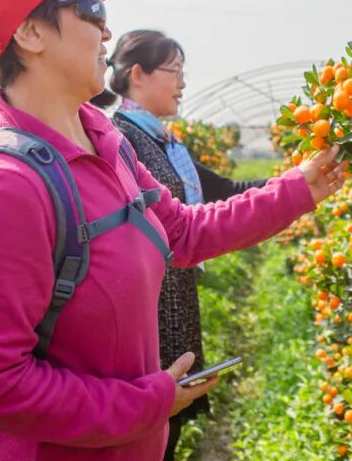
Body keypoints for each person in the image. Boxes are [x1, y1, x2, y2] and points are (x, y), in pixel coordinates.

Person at [0, 0, 346, 460]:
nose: (107, 30)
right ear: (30, 32)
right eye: (90, 9)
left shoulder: (107, 144)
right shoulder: (3, 187)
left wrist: (297, 189)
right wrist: (146, 403)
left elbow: (182, 233)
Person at [91, 30, 266, 459]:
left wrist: (300, 181)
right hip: (148, 311)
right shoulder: (121, 139)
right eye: (175, 71)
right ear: (138, 74)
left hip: (175, 303)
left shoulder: (165, 142)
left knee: (171, 425)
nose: (183, 83)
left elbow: (224, 189)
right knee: (151, 426)